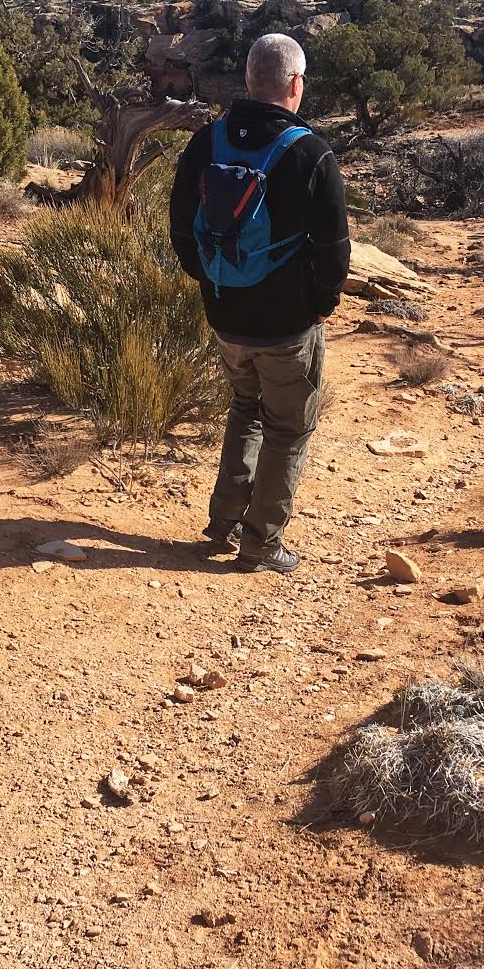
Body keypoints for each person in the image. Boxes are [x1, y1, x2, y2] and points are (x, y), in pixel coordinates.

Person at [170, 33, 350, 574]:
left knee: (245, 409)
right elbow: (334, 248)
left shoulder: (207, 142)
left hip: (226, 314)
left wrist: (209, 280)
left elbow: (181, 226)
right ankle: (261, 542)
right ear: (295, 84)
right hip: (286, 324)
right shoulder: (311, 153)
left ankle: (223, 521)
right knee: (289, 427)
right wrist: (323, 305)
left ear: (249, 81)